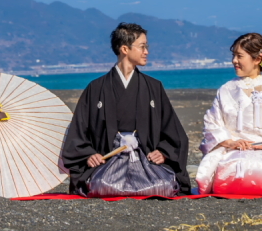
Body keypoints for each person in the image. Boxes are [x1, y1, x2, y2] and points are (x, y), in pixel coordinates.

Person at [61, 22, 191, 196]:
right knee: (102, 185)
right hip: (109, 160)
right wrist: (89, 155)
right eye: (142, 47)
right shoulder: (96, 88)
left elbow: (174, 131)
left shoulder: (154, 87)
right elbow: (79, 132)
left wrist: (164, 153)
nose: (147, 52)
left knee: (163, 186)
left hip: (145, 159)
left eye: (147, 47)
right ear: (124, 49)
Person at [196, 32, 262, 198]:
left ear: (257, 59)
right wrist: (230, 142)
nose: (234, 61)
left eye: (239, 56)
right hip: (232, 151)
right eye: (233, 56)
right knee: (232, 169)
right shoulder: (226, 89)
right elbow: (212, 122)